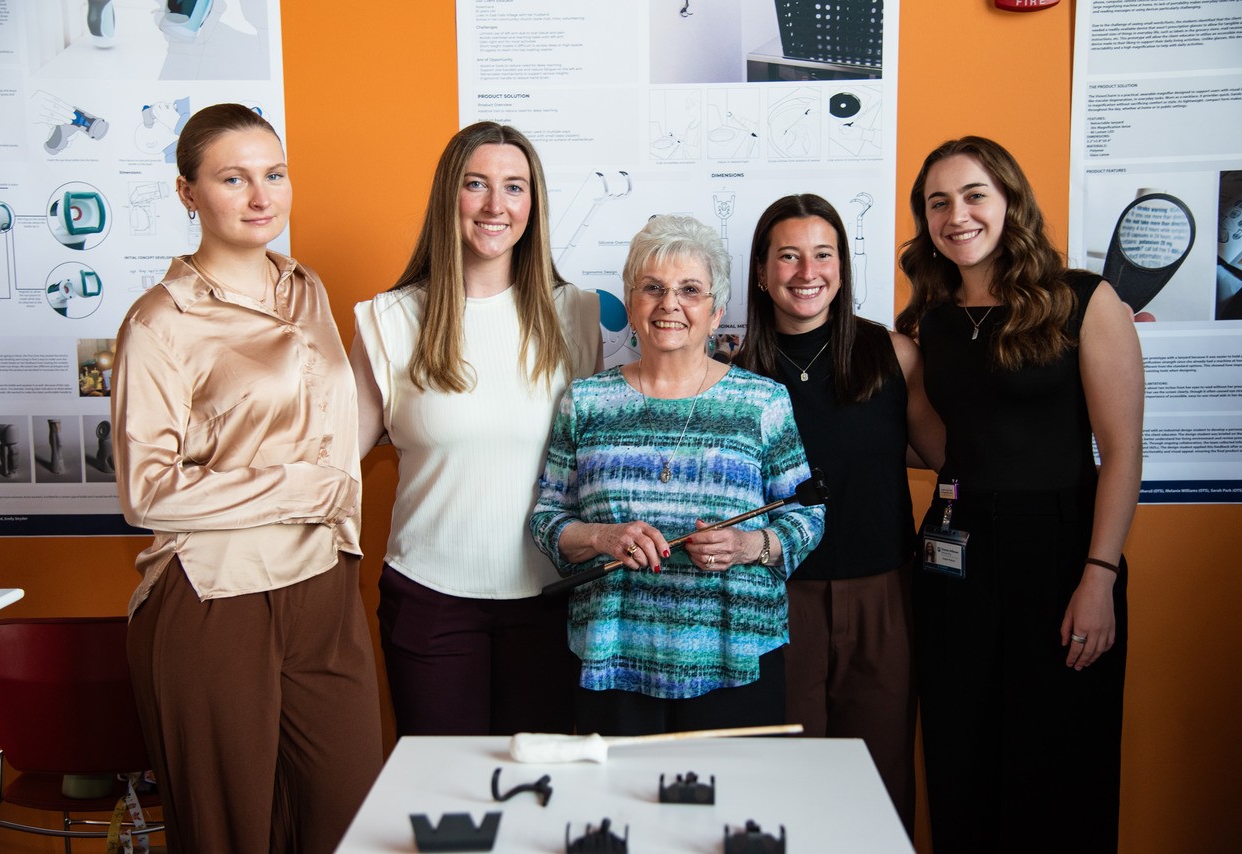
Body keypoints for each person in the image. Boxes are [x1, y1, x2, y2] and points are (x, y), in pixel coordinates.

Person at [112, 103, 382, 854]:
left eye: (275, 174)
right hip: (216, 595)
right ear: (187, 193)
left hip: (325, 582)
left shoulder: (305, 288)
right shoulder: (158, 322)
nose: (262, 197)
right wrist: (294, 488)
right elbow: (145, 491)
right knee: (230, 836)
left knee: (351, 823)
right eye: (234, 179)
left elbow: (327, 422)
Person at [895, 136, 1143, 853]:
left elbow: (1122, 452)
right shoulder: (930, 323)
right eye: (938, 203)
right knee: (961, 760)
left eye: (975, 195)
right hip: (955, 555)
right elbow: (945, 449)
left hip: (1063, 553)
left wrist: (1099, 575)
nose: (957, 215)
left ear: (1010, 201)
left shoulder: (1083, 299)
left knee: (1059, 765)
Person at [530, 214, 825, 735]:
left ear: (716, 312)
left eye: (690, 290)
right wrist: (601, 537)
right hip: (613, 660)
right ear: (631, 304)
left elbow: (807, 516)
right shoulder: (586, 401)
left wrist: (747, 545)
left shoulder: (762, 402)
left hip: (737, 660)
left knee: (732, 792)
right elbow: (548, 518)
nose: (670, 303)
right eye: (653, 288)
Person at [351, 121, 601, 736]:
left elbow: (596, 463)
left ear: (533, 204)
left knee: (537, 786)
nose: (496, 206)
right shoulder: (388, 319)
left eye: (514, 187)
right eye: (475, 184)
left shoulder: (578, 313)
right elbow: (332, 467)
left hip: (551, 598)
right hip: (429, 601)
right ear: (448, 196)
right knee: (443, 785)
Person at [735, 193, 944, 831]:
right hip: (776, 594)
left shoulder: (894, 354)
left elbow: (945, 456)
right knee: (784, 783)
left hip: (882, 592)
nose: (808, 272)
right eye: (788, 256)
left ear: (843, 267)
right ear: (761, 272)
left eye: (823, 254)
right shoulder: (734, 371)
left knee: (877, 779)